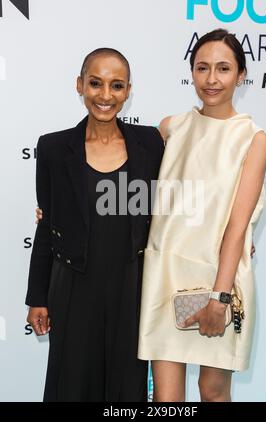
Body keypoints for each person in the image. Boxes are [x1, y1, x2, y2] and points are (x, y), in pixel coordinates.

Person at [138, 29, 266, 402]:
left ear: (241, 75)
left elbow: (237, 225)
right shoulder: (170, 128)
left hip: (219, 277)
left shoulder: (253, 138)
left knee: (212, 392)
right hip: (165, 275)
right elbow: (130, 189)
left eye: (224, 68)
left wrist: (220, 297)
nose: (211, 79)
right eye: (202, 68)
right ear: (191, 72)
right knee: (166, 399)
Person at [25, 48, 164, 402]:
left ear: (128, 90)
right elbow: (47, 225)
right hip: (73, 286)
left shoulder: (150, 143)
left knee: (126, 388)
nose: (105, 96)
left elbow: (175, 202)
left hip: (131, 287)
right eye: (95, 83)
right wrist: (37, 297)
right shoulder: (54, 148)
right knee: (70, 386)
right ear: (80, 85)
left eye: (116, 86)